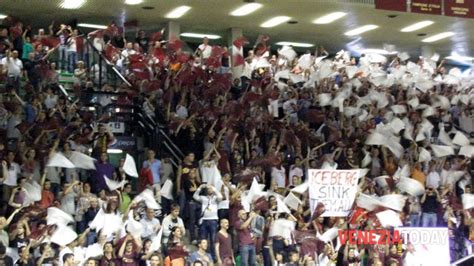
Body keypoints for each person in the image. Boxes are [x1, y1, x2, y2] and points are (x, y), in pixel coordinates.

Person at [193, 184, 223, 260]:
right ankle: (202, 256)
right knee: (203, 240)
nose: (209, 190)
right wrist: (200, 187)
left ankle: (213, 257)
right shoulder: (203, 198)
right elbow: (195, 196)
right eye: (208, 188)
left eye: (211, 189)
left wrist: (214, 188)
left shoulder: (215, 198)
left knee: (213, 240)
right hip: (204, 220)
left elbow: (221, 197)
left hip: (213, 220)